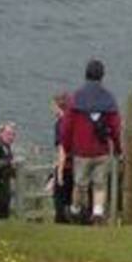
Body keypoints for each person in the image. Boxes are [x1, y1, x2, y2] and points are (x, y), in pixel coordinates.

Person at [59, 59, 122, 225]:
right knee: (100, 184)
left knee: (80, 184)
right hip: (101, 150)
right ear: (102, 76)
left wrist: (66, 147)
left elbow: (66, 127)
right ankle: (98, 212)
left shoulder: (75, 98)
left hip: (81, 151)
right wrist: (117, 147)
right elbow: (116, 127)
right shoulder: (109, 98)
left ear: (86, 74)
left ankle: (75, 209)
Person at [50, 92, 76, 223]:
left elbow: (62, 148)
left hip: (65, 165)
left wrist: (59, 171)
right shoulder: (74, 122)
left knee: (60, 198)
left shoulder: (61, 124)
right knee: (71, 197)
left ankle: (61, 220)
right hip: (76, 164)